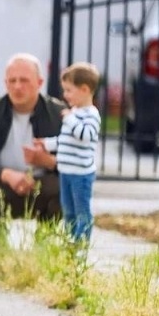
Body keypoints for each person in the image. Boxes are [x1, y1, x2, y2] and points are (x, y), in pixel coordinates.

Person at [0, 53, 65, 225]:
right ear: (5, 83)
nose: (17, 87)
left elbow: (78, 162)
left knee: (70, 188)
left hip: (41, 186)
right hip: (2, 185)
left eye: (24, 81)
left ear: (39, 83)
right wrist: (7, 175)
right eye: (12, 81)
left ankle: (45, 236)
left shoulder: (57, 113)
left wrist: (47, 161)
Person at [39, 62, 102, 243]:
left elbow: (85, 135)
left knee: (82, 210)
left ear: (84, 89)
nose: (65, 95)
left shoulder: (91, 114)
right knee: (68, 210)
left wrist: (71, 119)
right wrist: (45, 144)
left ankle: (81, 242)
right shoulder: (74, 113)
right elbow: (65, 140)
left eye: (68, 90)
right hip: (66, 172)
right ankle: (71, 239)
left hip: (81, 175)